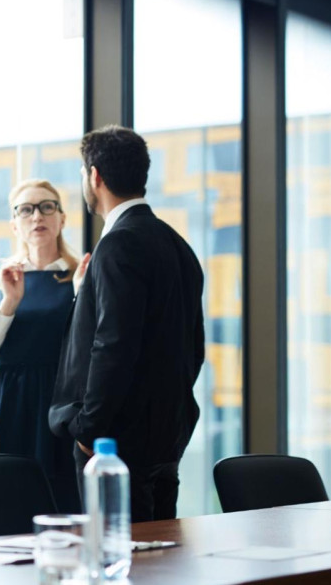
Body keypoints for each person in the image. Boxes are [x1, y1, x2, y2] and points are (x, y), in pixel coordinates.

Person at [48, 124, 204, 523]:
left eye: (84, 174)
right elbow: (194, 347)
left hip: (116, 444)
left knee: (120, 557)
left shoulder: (118, 244)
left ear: (94, 176)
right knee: (161, 554)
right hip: (168, 435)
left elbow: (112, 344)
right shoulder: (177, 245)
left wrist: (89, 430)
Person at [0, 179, 88, 512]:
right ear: (14, 224)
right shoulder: (0, 279)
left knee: (62, 506)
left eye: (47, 207)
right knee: (2, 506)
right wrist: (9, 303)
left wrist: (80, 294)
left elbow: (90, 347)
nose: (37, 217)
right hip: (10, 403)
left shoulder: (81, 275)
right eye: (26, 209)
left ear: (62, 218)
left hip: (62, 404)